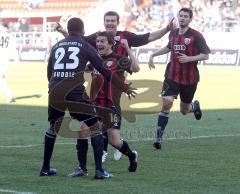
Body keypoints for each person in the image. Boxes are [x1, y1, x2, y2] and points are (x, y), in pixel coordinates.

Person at [56, 11, 174, 161]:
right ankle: (106, 147)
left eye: (113, 20)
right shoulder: (97, 37)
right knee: (98, 111)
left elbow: (148, 38)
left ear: (118, 22)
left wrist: (166, 29)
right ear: (104, 22)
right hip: (99, 77)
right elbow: (78, 40)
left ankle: (110, 143)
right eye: (107, 20)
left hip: (117, 79)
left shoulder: (126, 37)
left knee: (108, 106)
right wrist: (63, 32)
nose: (110, 23)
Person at [40, 17, 135, 179]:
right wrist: (124, 87)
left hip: (55, 90)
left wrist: (54, 86)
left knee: (53, 128)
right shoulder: (84, 45)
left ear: (68, 30)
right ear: (83, 31)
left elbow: (49, 71)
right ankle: (99, 171)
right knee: (95, 127)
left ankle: (45, 168)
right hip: (74, 92)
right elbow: (104, 70)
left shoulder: (56, 46)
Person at [68, 31, 139, 177]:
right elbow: (82, 68)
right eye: (97, 41)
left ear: (110, 43)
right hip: (94, 104)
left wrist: (127, 49)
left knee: (115, 142)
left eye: (102, 41)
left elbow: (136, 68)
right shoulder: (95, 59)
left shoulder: (119, 59)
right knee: (82, 130)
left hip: (111, 106)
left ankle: (131, 156)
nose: (99, 44)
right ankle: (82, 168)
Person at [148, 8, 211, 150]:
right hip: (171, 76)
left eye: (185, 16)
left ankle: (193, 107)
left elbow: (205, 55)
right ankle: (158, 138)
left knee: (184, 110)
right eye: (180, 16)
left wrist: (189, 58)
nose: (182, 18)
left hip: (189, 79)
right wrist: (153, 55)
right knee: (166, 104)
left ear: (190, 19)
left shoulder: (196, 35)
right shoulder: (173, 32)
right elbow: (168, 47)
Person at [0, 23, 14, 103]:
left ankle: (10, 95)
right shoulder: (10, 35)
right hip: (6, 59)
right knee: (2, 78)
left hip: (1, 58)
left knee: (2, 79)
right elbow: (13, 47)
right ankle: (9, 94)